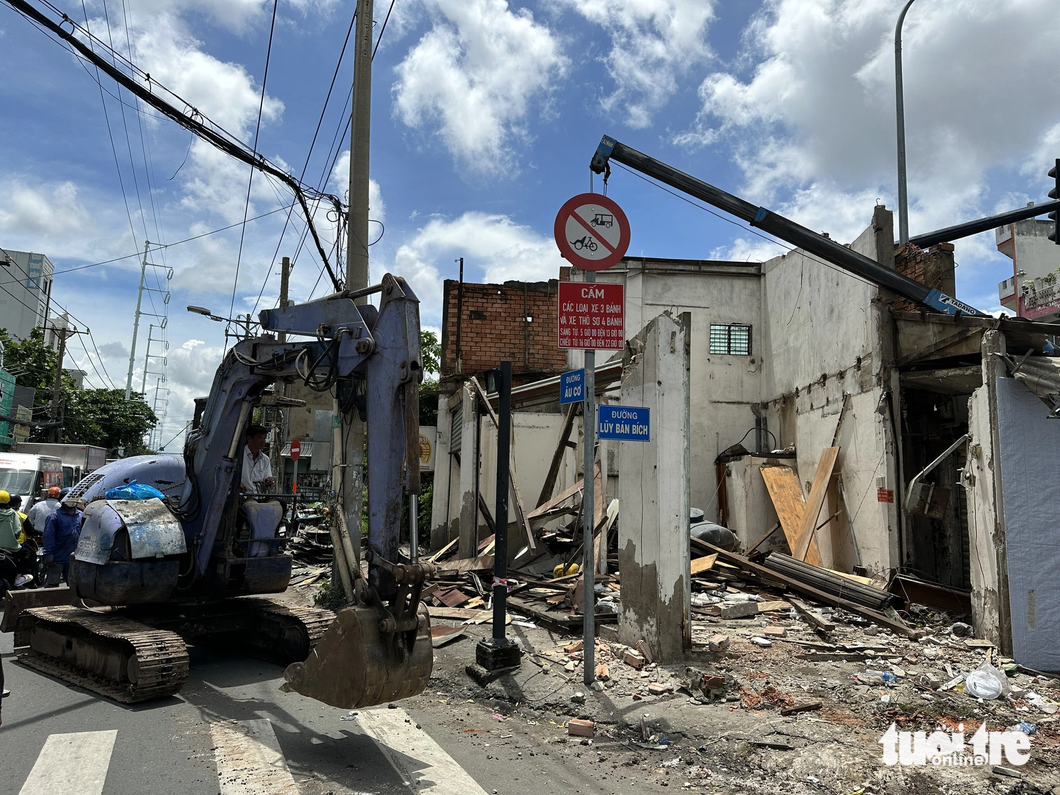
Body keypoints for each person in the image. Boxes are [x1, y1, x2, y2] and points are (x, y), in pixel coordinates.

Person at [42, 494, 82, 587]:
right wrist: (48, 554)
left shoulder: (80, 515)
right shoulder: (54, 517)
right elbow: (48, 536)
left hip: (74, 558)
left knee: (73, 585)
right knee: (52, 585)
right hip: (57, 557)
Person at [241, 424, 275, 495]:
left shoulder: (265, 459)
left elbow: (267, 479)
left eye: (264, 438)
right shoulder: (240, 456)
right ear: (249, 438)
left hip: (259, 497)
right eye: (259, 438)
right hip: (242, 496)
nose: (263, 441)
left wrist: (268, 482)